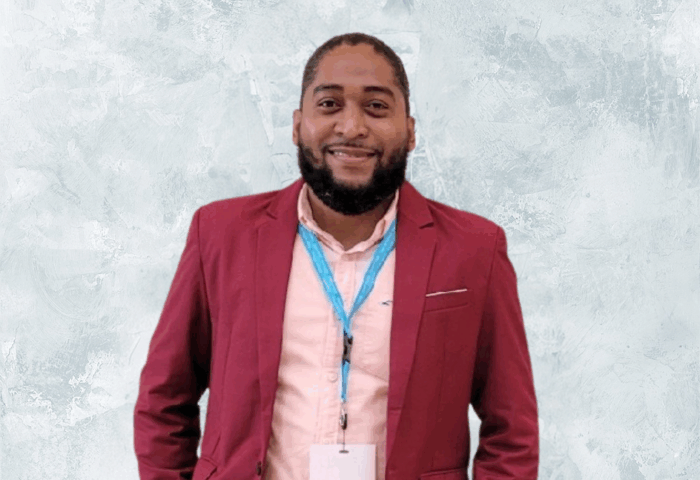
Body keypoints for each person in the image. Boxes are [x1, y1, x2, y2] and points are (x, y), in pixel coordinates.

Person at [133, 32, 539, 480]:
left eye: (376, 106)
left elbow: (512, 430)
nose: (351, 127)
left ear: (410, 131)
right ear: (296, 125)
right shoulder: (221, 235)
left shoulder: (475, 249)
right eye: (329, 104)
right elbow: (164, 401)